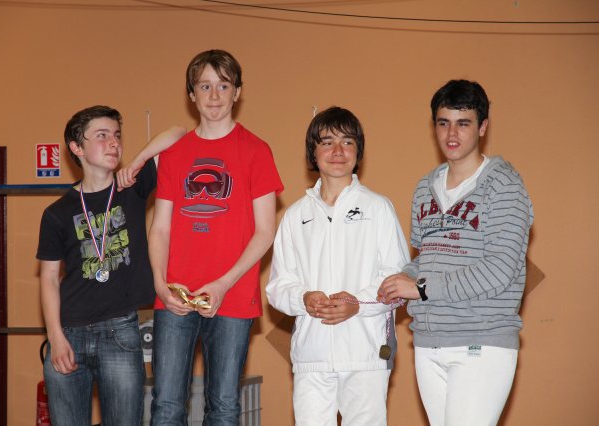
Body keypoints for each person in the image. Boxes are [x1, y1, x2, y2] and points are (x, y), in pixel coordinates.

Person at [378, 80, 534, 426]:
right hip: (428, 341)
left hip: (481, 341)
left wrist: (419, 288)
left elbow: (500, 269)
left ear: (482, 127)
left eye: (463, 123)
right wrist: (404, 277)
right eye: (443, 122)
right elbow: (428, 257)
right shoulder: (424, 187)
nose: (451, 133)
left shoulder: (504, 185)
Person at [148, 49, 283, 425]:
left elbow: (265, 231)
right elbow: (159, 228)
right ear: (191, 94)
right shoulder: (174, 154)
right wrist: (159, 284)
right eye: (204, 86)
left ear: (237, 92)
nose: (214, 95)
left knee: (224, 406)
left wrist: (223, 284)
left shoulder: (256, 151)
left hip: (233, 295)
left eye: (223, 86)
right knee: (166, 406)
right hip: (174, 295)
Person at [37, 105, 185, 426]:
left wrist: (139, 159)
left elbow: (179, 133)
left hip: (120, 333)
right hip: (69, 333)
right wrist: (55, 337)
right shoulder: (56, 213)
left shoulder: (131, 188)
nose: (114, 143)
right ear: (77, 147)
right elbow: (48, 278)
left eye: (117, 135)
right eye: (102, 136)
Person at [266, 106, 410, 425]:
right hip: (311, 358)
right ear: (313, 152)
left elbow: (399, 282)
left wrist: (358, 303)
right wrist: (303, 298)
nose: (337, 151)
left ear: (358, 151)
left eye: (347, 142)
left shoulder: (379, 208)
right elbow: (277, 287)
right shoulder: (295, 216)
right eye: (327, 142)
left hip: (366, 355)